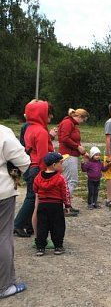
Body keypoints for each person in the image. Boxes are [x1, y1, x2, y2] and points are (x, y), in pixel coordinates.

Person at [14, 100, 54, 237]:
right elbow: (44, 156)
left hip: (29, 166)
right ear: (40, 114)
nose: (51, 116)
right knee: (32, 198)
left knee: (31, 196)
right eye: (47, 112)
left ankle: (28, 225)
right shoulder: (41, 131)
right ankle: (18, 224)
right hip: (37, 167)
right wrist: (46, 174)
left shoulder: (29, 127)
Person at [0, 125, 30, 298]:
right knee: (3, 235)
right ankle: (4, 286)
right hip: (2, 192)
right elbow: (23, 161)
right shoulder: (3, 132)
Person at [34, 152, 71, 256]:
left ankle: (40, 247)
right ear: (54, 165)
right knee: (58, 226)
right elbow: (65, 193)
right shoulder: (60, 178)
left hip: (43, 204)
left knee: (42, 226)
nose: (62, 165)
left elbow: (35, 188)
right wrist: (67, 205)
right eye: (60, 163)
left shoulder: (38, 177)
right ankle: (58, 246)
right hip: (56, 205)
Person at [58, 108, 89, 213]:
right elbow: (64, 138)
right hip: (68, 155)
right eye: (83, 120)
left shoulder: (72, 124)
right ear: (80, 117)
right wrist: (77, 146)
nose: (82, 123)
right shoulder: (68, 123)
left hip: (72, 155)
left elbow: (73, 140)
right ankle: (64, 206)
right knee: (72, 181)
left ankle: (67, 205)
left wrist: (83, 152)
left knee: (67, 181)